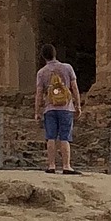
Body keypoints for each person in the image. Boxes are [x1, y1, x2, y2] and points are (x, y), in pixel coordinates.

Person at [33, 42, 79, 175]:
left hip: (49, 108)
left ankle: (51, 165)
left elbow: (39, 93)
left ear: (43, 57)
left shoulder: (42, 72)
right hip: (66, 107)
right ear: (55, 54)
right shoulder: (67, 68)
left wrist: (37, 111)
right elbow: (74, 88)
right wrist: (78, 105)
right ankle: (66, 166)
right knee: (65, 137)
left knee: (51, 137)